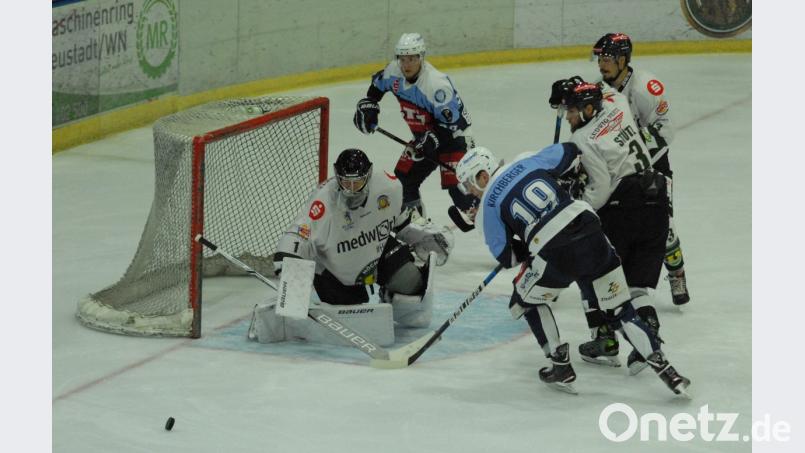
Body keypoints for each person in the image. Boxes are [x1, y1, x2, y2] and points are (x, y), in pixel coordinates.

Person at [455, 144, 689, 396]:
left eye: (469, 184)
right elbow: (570, 151)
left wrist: (521, 234)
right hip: (592, 231)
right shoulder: (526, 158)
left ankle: (560, 364)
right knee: (621, 309)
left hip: (557, 251)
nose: (470, 192)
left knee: (522, 300)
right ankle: (667, 371)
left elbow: (508, 256)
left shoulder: (486, 208)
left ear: (482, 175)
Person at [249, 148, 454, 345]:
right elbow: (300, 233)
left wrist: (426, 234)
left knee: (412, 284)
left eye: (357, 183)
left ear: (369, 175)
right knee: (352, 315)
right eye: (346, 182)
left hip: (377, 248)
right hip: (334, 268)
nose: (351, 190)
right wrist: (287, 260)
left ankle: (388, 292)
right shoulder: (323, 203)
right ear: (338, 178)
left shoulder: (388, 187)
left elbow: (402, 220)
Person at [548, 78, 669, 374]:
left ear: (589, 109)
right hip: (658, 200)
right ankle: (649, 339)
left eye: (573, 111)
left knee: (594, 271)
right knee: (638, 287)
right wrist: (578, 86)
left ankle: (605, 341)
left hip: (624, 208)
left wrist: (576, 205)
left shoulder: (582, 139)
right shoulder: (616, 102)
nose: (568, 117)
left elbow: (600, 190)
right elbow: (606, 89)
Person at [593, 32, 690, 306]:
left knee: (664, 226)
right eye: (600, 58)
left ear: (624, 60)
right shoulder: (599, 92)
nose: (602, 64)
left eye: (608, 58)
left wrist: (633, 145)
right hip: (620, 169)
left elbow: (666, 130)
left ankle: (677, 272)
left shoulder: (646, 87)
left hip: (653, 165)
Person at [352, 32, 477, 221]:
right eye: (403, 58)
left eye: (412, 58)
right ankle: (420, 229)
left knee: (458, 191)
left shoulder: (436, 85)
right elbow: (377, 87)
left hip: (454, 139)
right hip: (424, 138)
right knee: (403, 182)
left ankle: (492, 219)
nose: (407, 64)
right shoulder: (394, 71)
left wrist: (431, 139)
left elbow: (453, 123)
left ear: (421, 57)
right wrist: (370, 105)